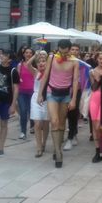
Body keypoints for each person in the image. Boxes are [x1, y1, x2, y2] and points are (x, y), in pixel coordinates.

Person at [37, 39, 79, 168]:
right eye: (61, 52)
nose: (63, 54)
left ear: (70, 50)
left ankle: (57, 148)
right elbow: (45, 76)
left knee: (61, 123)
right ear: (58, 49)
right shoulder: (52, 57)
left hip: (66, 94)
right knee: (54, 121)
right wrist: (39, 94)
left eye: (66, 52)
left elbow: (76, 80)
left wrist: (73, 99)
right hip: (51, 93)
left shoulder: (74, 61)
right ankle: (58, 152)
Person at [26, 51, 49, 158]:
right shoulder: (36, 72)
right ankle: (39, 147)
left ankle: (44, 143)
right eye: (39, 61)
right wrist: (35, 55)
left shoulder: (50, 73)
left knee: (45, 123)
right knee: (37, 123)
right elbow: (27, 64)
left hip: (47, 99)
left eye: (44, 61)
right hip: (36, 98)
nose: (41, 63)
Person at [64, 44, 83, 151]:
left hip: (77, 90)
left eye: (76, 50)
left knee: (73, 112)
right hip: (64, 89)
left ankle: (70, 137)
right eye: (72, 49)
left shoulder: (82, 64)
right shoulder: (64, 61)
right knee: (65, 114)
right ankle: (73, 132)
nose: (74, 51)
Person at [17, 47, 35, 139]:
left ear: (33, 54)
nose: (28, 54)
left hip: (33, 92)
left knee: (31, 110)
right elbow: (16, 80)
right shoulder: (20, 65)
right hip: (22, 92)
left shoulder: (35, 65)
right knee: (23, 111)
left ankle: (33, 126)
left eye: (30, 53)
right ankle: (23, 131)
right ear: (23, 54)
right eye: (26, 52)